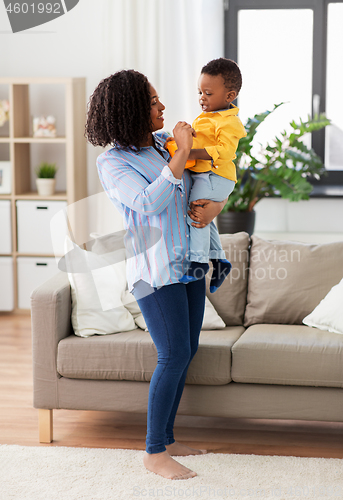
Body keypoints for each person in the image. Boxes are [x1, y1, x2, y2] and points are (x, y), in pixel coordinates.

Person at [85, 70, 228, 480]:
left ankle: (167, 439)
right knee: (172, 355)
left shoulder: (164, 149)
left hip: (188, 264)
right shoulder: (113, 161)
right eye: (152, 101)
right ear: (130, 108)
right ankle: (153, 452)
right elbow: (147, 203)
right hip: (155, 271)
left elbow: (199, 189)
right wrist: (182, 154)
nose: (162, 107)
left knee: (187, 353)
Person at [166, 58, 247, 292]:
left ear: (229, 96)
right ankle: (220, 261)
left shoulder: (229, 122)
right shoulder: (206, 116)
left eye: (208, 93)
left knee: (196, 213)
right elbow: (203, 139)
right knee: (204, 216)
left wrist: (189, 151)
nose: (202, 97)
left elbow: (224, 151)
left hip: (217, 176)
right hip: (207, 176)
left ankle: (199, 263)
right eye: (200, 91)